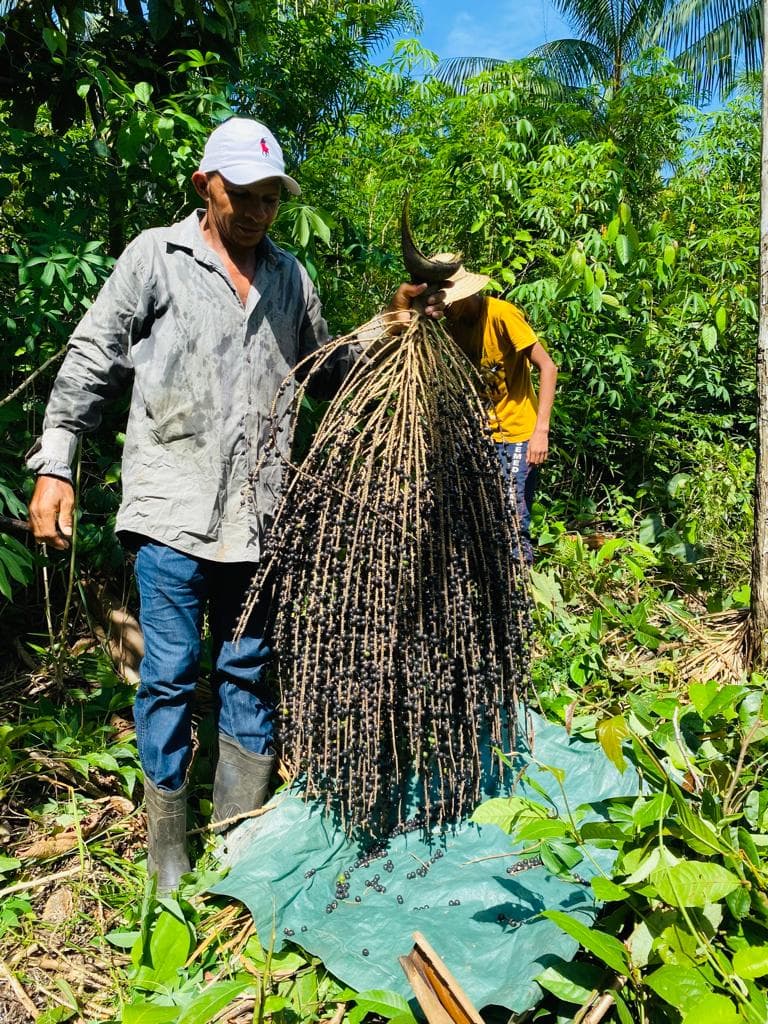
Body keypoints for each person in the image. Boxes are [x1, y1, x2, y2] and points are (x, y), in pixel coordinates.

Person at [26, 117, 432, 893]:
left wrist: (393, 324)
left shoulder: (290, 278)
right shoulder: (156, 256)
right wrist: (58, 463)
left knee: (248, 673)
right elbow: (92, 353)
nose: (256, 211)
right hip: (171, 508)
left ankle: (237, 848)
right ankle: (167, 860)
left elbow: (328, 370)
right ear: (204, 186)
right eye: (241, 193)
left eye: (270, 198)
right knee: (171, 675)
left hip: (261, 516)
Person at [434, 263, 558, 563]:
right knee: (485, 516)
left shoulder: (503, 315)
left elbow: (549, 367)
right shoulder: (455, 324)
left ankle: (519, 592)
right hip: (484, 433)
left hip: (519, 433)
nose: (447, 311)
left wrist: (540, 432)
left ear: (466, 295)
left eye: (450, 303)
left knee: (513, 518)